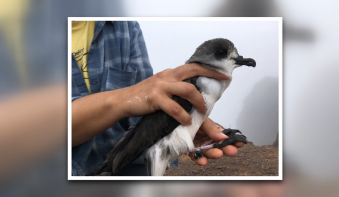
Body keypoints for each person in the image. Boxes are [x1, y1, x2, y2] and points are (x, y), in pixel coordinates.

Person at [71, 21, 244, 176]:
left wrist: (188, 124)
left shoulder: (125, 27)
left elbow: (147, 108)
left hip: (135, 165)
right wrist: (120, 101)